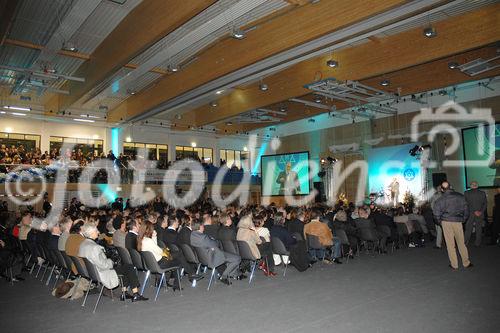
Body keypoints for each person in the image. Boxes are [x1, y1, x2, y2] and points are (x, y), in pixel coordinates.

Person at [78, 223, 147, 302]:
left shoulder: (83, 244)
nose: (98, 232)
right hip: (102, 273)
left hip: (92, 272)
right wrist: (112, 260)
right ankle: (135, 294)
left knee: (124, 267)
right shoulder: (94, 248)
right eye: (96, 230)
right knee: (129, 267)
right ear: (91, 233)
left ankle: (124, 293)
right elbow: (104, 265)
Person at [433, 181, 472, 270]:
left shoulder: (440, 199)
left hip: (446, 222)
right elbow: (466, 210)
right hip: (458, 221)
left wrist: (440, 222)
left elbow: (436, 214)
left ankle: (454, 264)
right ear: (450, 187)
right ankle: (466, 263)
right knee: (461, 243)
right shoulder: (460, 196)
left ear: (442, 189)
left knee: (450, 244)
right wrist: (463, 219)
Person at [138, 221, 182, 290]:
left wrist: (154, 237)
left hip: (152, 263)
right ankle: (176, 285)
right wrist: (166, 252)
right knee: (178, 260)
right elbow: (160, 251)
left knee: (174, 256)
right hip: (160, 263)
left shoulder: (141, 240)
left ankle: (162, 281)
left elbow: (154, 247)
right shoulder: (148, 241)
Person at [464, 181, 487, 247]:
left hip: (470, 213)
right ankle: (477, 243)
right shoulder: (482, 193)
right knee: (479, 228)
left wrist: (474, 211)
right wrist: (480, 212)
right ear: (477, 186)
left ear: (471, 186)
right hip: (480, 214)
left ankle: (465, 242)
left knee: (468, 229)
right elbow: (485, 204)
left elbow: (466, 204)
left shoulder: (466, 193)